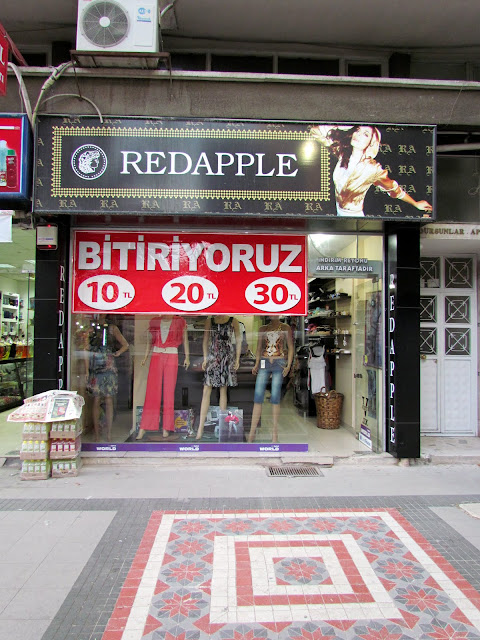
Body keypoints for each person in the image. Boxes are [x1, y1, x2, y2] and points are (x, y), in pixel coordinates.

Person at [310, 124, 433, 217]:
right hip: (338, 214)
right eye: (357, 130)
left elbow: (393, 189)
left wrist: (415, 203)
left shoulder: (372, 168)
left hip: (355, 218)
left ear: (371, 143)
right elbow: (315, 132)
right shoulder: (343, 154)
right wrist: (339, 126)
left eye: (365, 134)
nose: (358, 135)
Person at [136, 315, 189, 439]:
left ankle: (166, 427)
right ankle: (144, 427)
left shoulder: (179, 321)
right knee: (152, 391)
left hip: (172, 355)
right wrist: (145, 356)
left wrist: (187, 357)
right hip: (156, 354)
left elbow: (185, 339)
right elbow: (150, 341)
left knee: (169, 392)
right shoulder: (155, 321)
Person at [247, 317, 293, 444]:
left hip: (279, 362)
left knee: (275, 397)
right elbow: (258, 348)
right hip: (264, 361)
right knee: (258, 396)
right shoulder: (263, 329)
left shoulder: (285, 328)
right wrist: (256, 364)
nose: (273, 314)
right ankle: (252, 432)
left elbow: (290, 347)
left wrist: (288, 365)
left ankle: (274, 433)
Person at [195, 316, 241, 440]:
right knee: (206, 390)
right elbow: (205, 340)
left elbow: (238, 340)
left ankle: (222, 428)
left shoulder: (233, 320)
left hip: (227, 356)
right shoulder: (209, 321)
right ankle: (200, 428)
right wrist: (205, 358)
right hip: (213, 356)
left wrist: (237, 359)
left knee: (223, 390)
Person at [85, 315, 129, 442]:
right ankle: (97, 434)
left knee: (108, 399)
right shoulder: (91, 329)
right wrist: (87, 370)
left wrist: (117, 353)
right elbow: (86, 349)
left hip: (108, 367)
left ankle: (108, 433)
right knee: (97, 399)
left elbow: (125, 345)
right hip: (96, 367)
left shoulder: (112, 328)